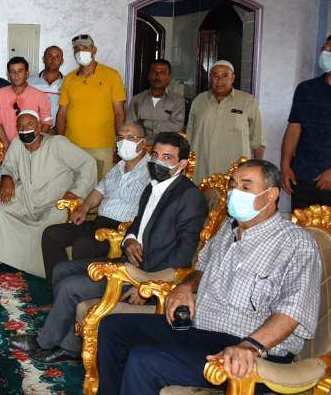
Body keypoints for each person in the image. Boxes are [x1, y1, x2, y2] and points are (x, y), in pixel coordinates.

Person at [97, 160, 320, 394]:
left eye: (245, 187)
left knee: (144, 360)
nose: (235, 193)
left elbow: (292, 311)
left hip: (250, 348)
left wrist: (251, 345)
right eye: (233, 185)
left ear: (271, 194)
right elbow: (201, 268)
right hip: (201, 330)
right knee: (113, 328)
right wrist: (185, 287)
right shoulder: (229, 227)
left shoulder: (296, 243)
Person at [10, 132, 207, 364]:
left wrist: (147, 284)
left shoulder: (189, 196)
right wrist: (129, 240)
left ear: (182, 164)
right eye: (155, 155)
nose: (158, 162)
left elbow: (184, 254)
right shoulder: (152, 187)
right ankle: (69, 344)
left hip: (149, 274)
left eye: (167, 157)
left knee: (71, 287)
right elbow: (137, 224)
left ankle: (44, 342)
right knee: (62, 269)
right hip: (131, 262)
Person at [0, 111, 97, 278]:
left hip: (55, 203)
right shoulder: (17, 143)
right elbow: (8, 166)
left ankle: (38, 274)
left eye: (30, 125)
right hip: (28, 200)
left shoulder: (57, 144)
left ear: (39, 127)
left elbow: (87, 164)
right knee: (3, 213)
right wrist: (7, 178)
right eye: (21, 126)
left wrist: (75, 192)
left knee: (47, 227)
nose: (25, 129)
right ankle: (5, 265)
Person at [40, 122, 150, 280]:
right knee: (52, 234)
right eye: (120, 137)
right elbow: (99, 191)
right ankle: (57, 285)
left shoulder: (151, 172)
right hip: (99, 223)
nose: (124, 142)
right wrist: (84, 208)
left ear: (143, 142)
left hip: (121, 231)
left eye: (131, 137)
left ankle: (77, 290)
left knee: (83, 243)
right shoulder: (118, 167)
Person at [56, 34, 126, 180]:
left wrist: (120, 143)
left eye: (85, 48)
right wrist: (60, 141)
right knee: (75, 186)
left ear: (94, 50)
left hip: (102, 145)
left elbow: (119, 113)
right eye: (77, 49)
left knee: (101, 186)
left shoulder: (111, 75)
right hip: (73, 145)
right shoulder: (69, 79)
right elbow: (61, 113)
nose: (80, 52)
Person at [187, 60, 264, 184]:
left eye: (225, 76)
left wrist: (258, 171)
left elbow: (258, 140)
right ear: (210, 78)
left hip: (235, 173)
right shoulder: (199, 101)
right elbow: (189, 136)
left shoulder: (248, 101)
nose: (220, 80)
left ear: (232, 78)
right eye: (215, 75)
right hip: (201, 171)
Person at [281, 35, 331, 209]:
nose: (325, 53)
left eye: (330, 50)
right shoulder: (306, 89)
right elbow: (294, 129)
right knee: (300, 224)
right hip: (303, 175)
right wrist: (285, 165)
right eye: (324, 49)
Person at [0, 56, 52, 149]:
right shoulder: (1, 93)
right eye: (13, 71)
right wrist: (6, 144)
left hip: (33, 147)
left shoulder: (41, 96)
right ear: (8, 74)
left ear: (27, 74)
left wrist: (34, 144)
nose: (16, 75)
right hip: (8, 146)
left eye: (20, 71)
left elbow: (47, 123)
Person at [127, 59, 185, 141]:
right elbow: (130, 126)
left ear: (169, 78)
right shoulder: (137, 100)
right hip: (141, 146)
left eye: (162, 73)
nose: (157, 76)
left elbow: (177, 127)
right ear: (149, 76)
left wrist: (146, 123)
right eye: (154, 72)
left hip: (165, 147)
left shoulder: (177, 101)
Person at [29, 45, 65, 128]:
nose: (53, 59)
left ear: (62, 61)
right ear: (43, 59)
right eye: (49, 56)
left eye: (57, 57)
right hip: (34, 130)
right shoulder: (30, 81)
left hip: (58, 130)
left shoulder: (67, 82)